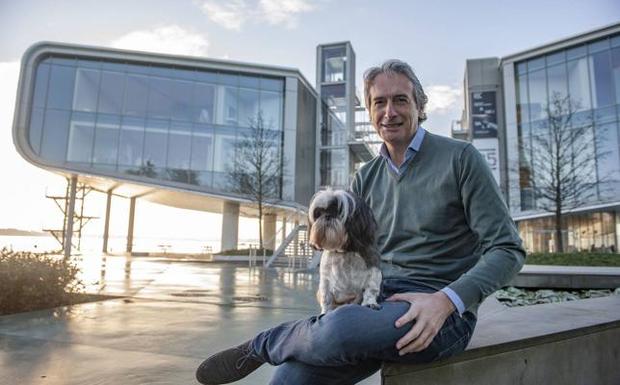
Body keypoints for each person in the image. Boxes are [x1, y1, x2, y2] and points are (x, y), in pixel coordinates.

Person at [195, 59, 526, 385]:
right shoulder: (365, 177)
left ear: (419, 105)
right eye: (379, 102)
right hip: (376, 303)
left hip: (438, 314)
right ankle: (302, 338)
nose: (389, 112)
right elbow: (349, 248)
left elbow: (508, 250)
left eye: (400, 100)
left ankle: (263, 343)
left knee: (341, 329)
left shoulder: (461, 158)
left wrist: (446, 301)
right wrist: (345, 292)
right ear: (369, 110)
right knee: (288, 378)